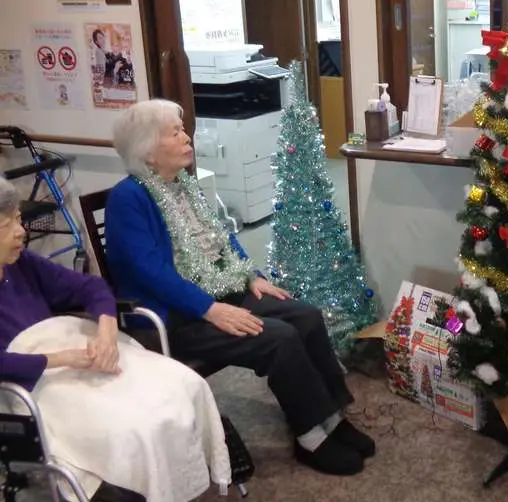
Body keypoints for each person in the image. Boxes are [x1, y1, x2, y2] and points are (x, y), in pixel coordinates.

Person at [104, 99, 375, 477]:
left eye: (182, 130)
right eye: (175, 133)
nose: (187, 137)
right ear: (148, 151)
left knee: (307, 316)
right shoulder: (128, 199)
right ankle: (311, 437)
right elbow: (150, 272)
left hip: (217, 290)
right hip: (175, 316)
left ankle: (331, 417)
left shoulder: (184, 186)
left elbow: (221, 238)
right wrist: (209, 309)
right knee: (279, 338)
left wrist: (251, 276)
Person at [0, 177, 230, 502]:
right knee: (137, 424)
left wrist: (107, 331)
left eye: (19, 218)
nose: (21, 232)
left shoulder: (23, 264)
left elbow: (91, 287)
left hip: (71, 351)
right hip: (29, 383)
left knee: (182, 383)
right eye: (7, 225)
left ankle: (167, 500)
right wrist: (61, 359)